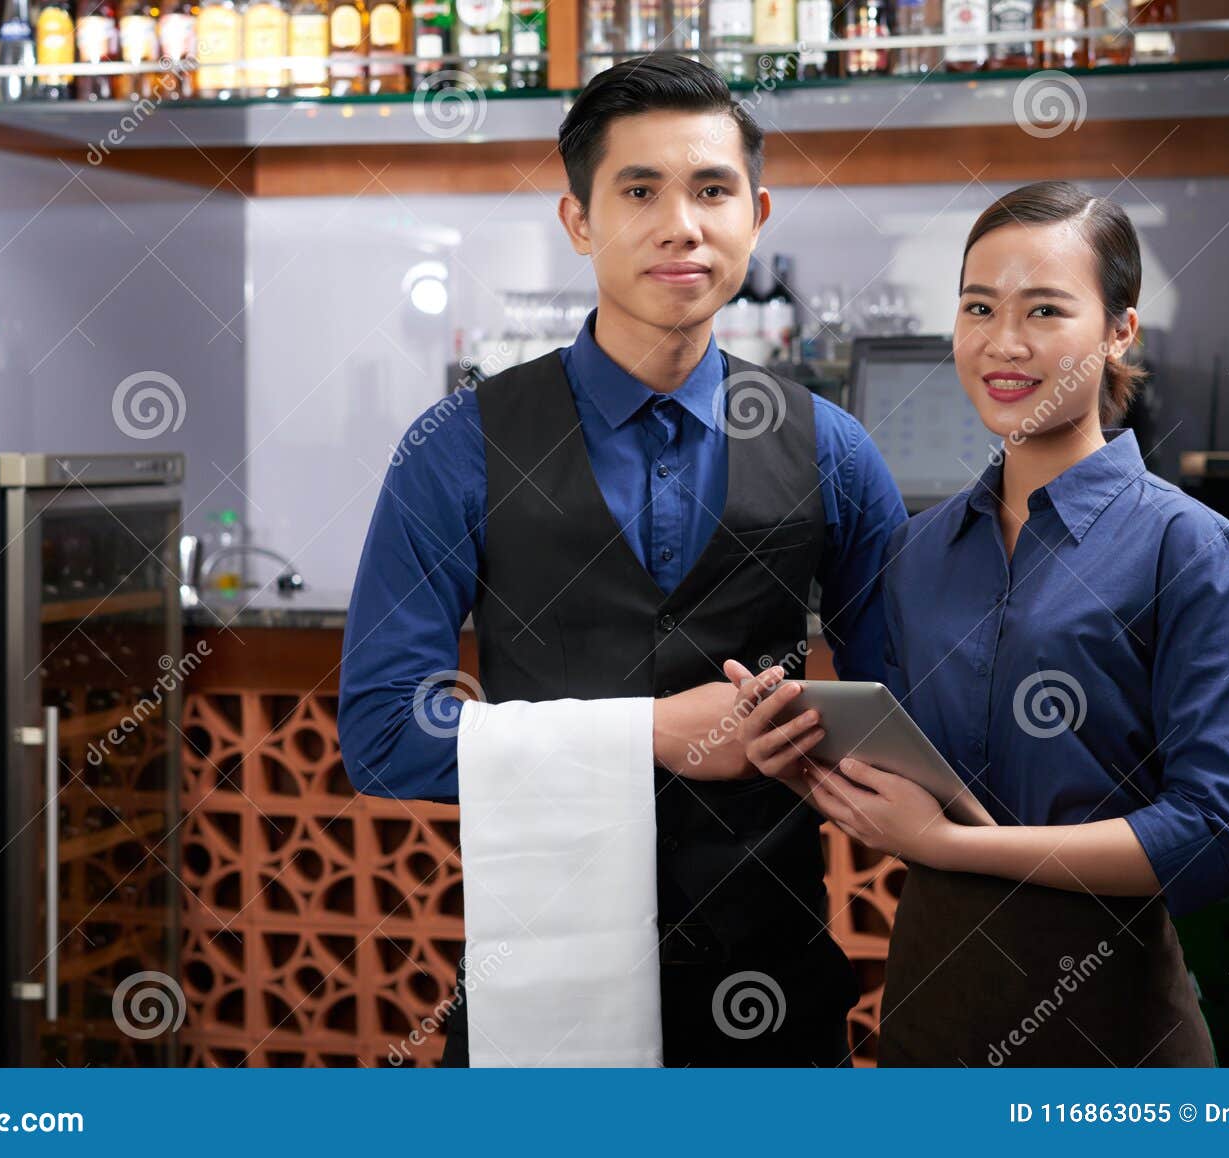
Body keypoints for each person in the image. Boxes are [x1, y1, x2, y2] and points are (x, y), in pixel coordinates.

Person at [337, 54, 907, 1066]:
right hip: (543, 990)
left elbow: (901, 722)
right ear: (579, 221)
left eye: (712, 189)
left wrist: (814, 744)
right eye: (638, 190)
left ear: (757, 213)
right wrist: (652, 732)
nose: (679, 223)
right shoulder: (457, 447)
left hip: (770, 992)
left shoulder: (831, 449)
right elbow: (384, 738)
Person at [729, 180, 1229, 1067]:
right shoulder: (918, 554)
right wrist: (802, 749)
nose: (1003, 342)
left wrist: (945, 844)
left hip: (1112, 1023)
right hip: (933, 1007)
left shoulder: (1190, 548)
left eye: (1046, 309)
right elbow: (912, 777)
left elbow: (1216, 833)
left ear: (1119, 331)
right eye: (978, 307)